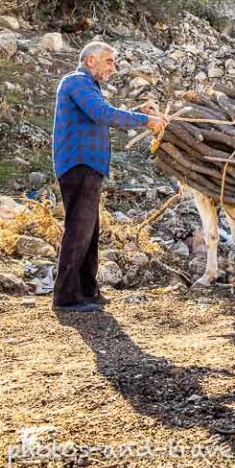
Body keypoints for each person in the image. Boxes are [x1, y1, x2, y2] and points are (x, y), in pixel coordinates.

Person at [51, 41, 166, 312]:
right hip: (78, 164)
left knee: (89, 230)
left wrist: (140, 114)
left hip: (89, 166)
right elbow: (101, 113)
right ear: (90, 60)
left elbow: (102, 112)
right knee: (78, 230)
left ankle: (88, 291)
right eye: (109, 61)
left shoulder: (89, 86)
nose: (113, 68)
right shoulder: (75, 81)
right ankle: (66, 297)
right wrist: (144, 121)